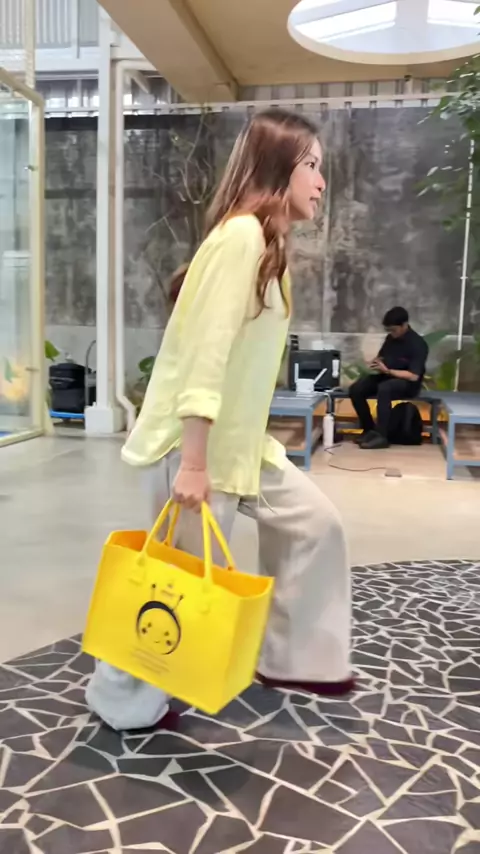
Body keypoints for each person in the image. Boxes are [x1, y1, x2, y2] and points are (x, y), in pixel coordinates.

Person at [86, 108, 353, 732]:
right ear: (278, 170)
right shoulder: (240, 241)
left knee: (316, 524)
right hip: (197, 448)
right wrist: (195, 464)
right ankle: (120, 701)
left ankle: (284, 658)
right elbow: (206, 356)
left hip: (240, 447)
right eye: (312, 166)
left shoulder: (267, 248)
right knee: (170, 584)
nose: (321, 181)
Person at [349, 306, 428, 450]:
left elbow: (413, 376)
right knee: (356, 389)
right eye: (388, 330)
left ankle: (382, 436)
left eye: (394, 330)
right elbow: (382, 357)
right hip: (387, 376)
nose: (391, 333)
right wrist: (376, 362)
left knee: (385, 388)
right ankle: (369, 429)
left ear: (404, 325)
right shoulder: (390, 339)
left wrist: (388, 371)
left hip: (407, 384)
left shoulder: (418, 344)